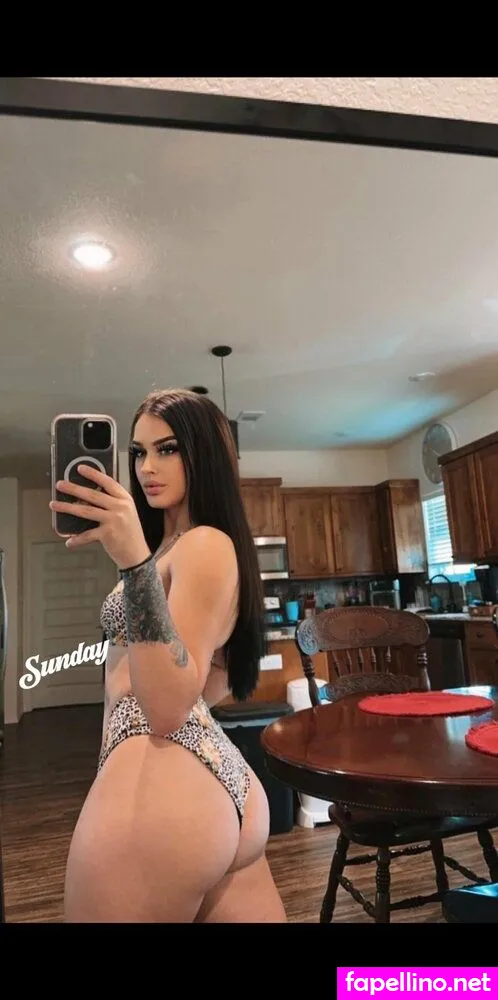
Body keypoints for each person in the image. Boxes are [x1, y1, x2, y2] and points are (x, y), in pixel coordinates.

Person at [49, 389, 287, 923]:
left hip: (161, 781)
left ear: (203, 455)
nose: (147, 468)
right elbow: (206, 684)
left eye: (168, 449)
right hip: (212, 778)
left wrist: (134, 565)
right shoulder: (179, 548)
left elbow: (165, 709)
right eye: (138, 452)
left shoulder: (203, 544)